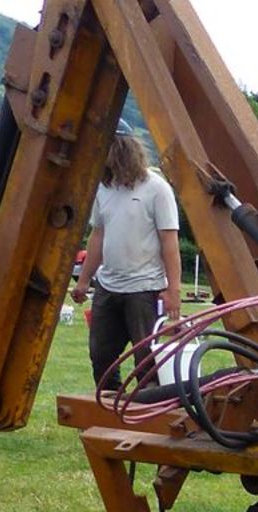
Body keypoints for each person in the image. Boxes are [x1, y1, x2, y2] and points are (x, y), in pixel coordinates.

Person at [72, 125, 181, 388]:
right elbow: (98, 235)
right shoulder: (103, 188)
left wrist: (173, 289)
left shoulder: (157, 188)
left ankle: (145, 414)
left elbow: (169, 241)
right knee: (101, 355)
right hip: (108, 286)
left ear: (120, 150)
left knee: (146, 359)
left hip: (144, 289)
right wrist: (84, 280)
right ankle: (109, 406)